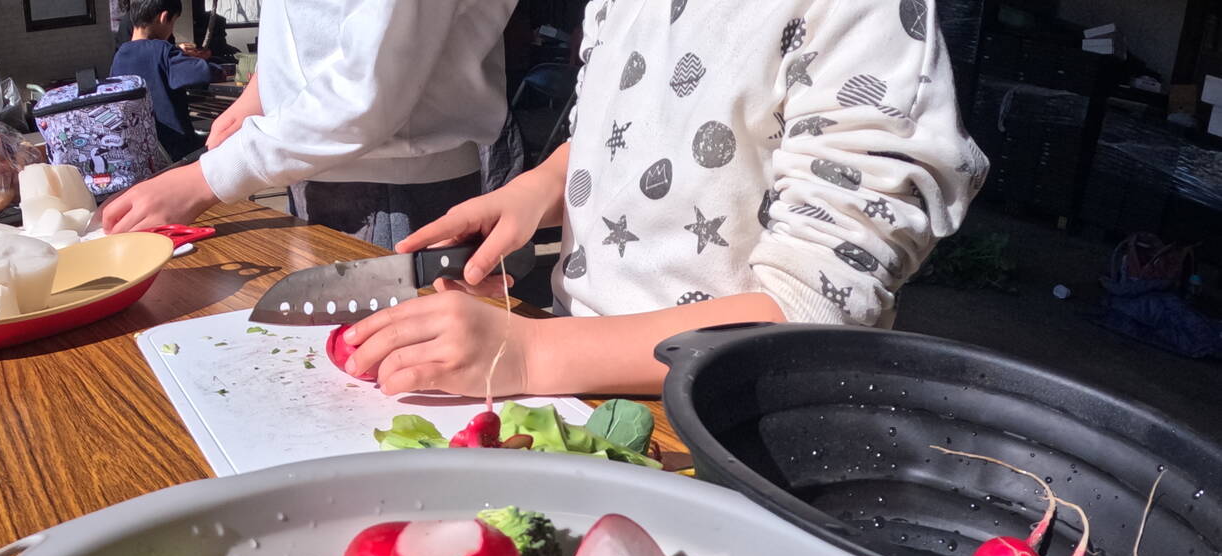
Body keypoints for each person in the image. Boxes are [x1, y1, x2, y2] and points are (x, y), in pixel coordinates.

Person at [336, 0, 988, 398]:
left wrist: (533, 354)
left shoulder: (865, 14)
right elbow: (631, 124)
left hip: (728, 428)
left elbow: (817, 306)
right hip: (572, 385)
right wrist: (544, 185)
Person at [100, 0, 520, 247]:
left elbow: (370, 90)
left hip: (392, 191)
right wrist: (262, 90)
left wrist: (205, 179)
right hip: (329, 172)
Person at [111, 0, 230, 162]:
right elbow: (204, 73)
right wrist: (219, 69)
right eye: (173, 22)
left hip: (142, 151)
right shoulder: (162, 50)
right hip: (176, 149)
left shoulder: (119, 57)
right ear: (164, 17)